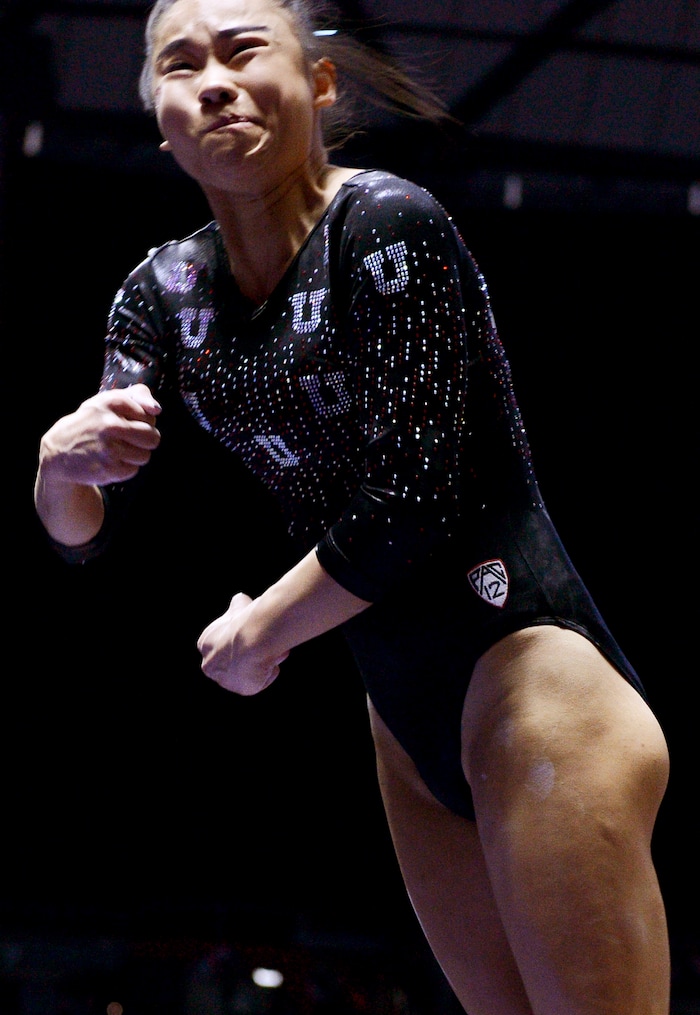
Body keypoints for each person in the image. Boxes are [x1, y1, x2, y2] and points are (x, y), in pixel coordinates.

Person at [33, 0, 671, 1012]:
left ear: (319, 85)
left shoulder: (387, 225)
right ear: (158, 116)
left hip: (532, 686)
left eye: (244, 50)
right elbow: (87, 537)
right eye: (181, 64)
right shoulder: (162, 291)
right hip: (407, 723)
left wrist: (258, 636)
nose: (214, 81)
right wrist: (58, 469)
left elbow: (411, 505)